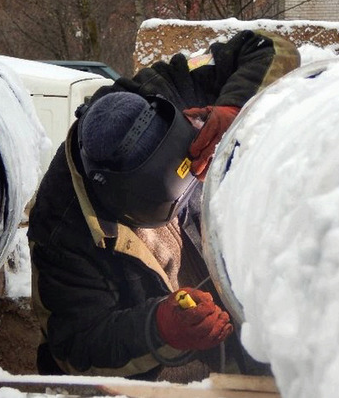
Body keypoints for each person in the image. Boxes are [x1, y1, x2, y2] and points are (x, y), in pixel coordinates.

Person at [27, 29, 300, 382]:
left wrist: (236, 105)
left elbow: (269, 46)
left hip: (227, 294)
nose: (194, 186)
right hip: (157, 364)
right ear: (122, 203)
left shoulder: (165, 89)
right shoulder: (62, 231)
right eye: (175, 192)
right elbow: (77, 346)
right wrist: (158, 328)